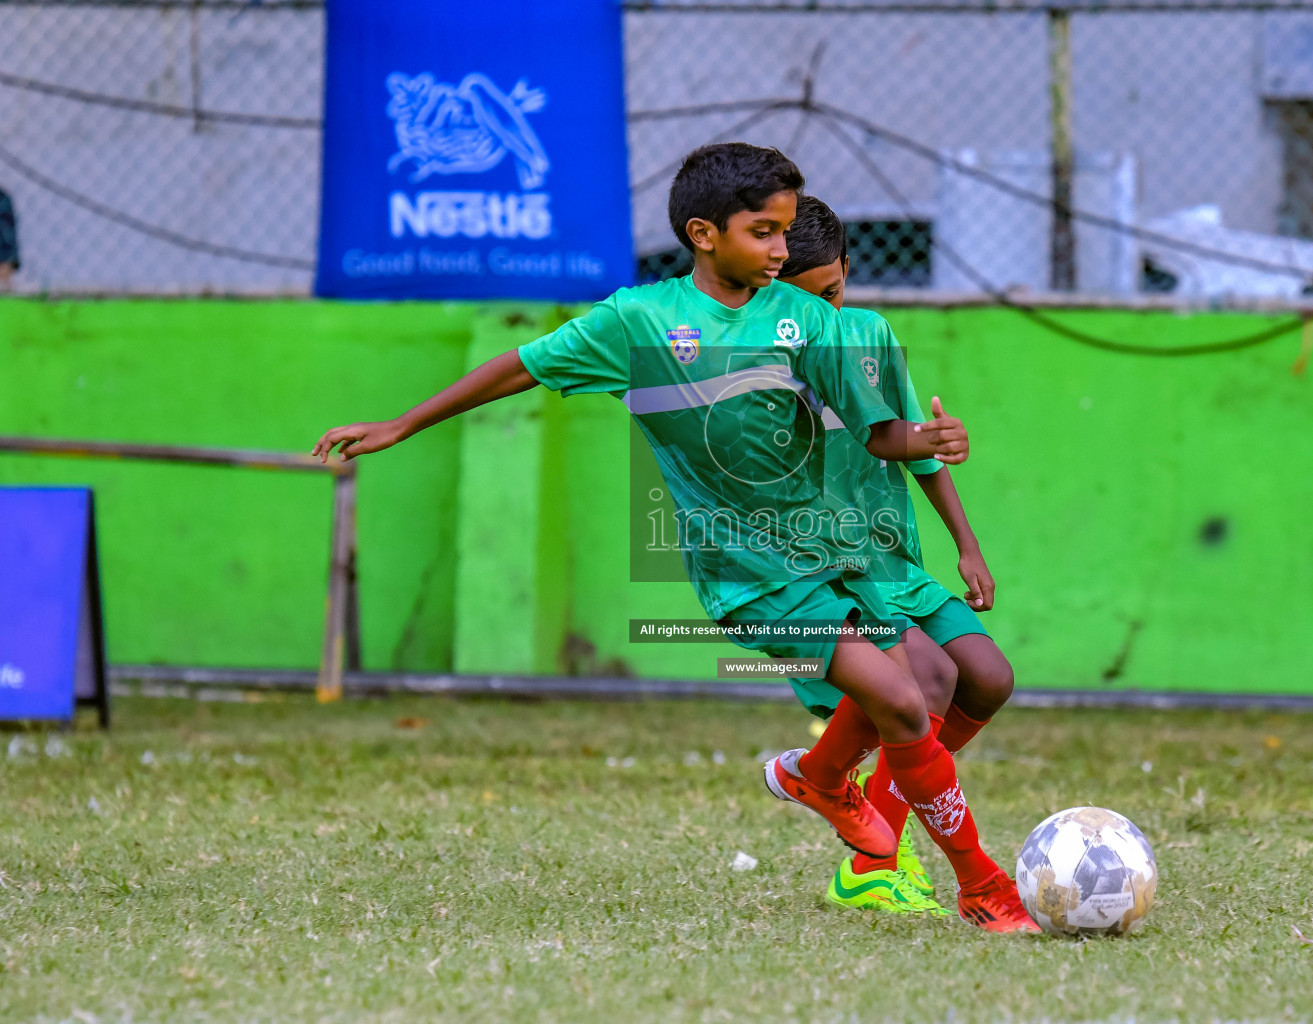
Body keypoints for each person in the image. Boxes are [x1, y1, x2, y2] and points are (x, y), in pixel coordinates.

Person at [313, 144, 1031, 933]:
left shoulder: (811, 320)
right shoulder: (639, 321)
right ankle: (980, 886)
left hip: (842, 556)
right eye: (764, 232)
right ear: (702, 233)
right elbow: (521, 366)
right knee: (904, 696)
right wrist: (403, 424)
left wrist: (928, 439)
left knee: (939, 687)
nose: (781, 251)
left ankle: (831, 786)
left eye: (787, 233)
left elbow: (879, 433)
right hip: (746, 567)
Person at [775, 197, 1032, 929]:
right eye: (802, 301)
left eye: (832, 291)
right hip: (818, 570)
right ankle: (878, 863)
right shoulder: (755, 360)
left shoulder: (870, 337)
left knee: (987, 677)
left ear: (848, 275)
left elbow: (908, 439)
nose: (823, 311)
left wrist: (967, 543)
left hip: (893, 560)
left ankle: (873, 817)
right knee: (923, 682)